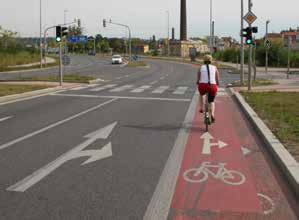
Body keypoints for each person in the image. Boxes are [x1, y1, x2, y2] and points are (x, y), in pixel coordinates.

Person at [196, 55, 220, 123]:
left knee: (201, 94)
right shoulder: (215, 67)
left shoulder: (200, 67)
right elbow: (217, 78)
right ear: (211, 60)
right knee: (211, 101)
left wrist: (198, 81)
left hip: (202, 85)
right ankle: (212, 114)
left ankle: (201, 108)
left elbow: (198, 77)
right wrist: (217, 84)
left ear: (204, 60)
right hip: (212, 86)